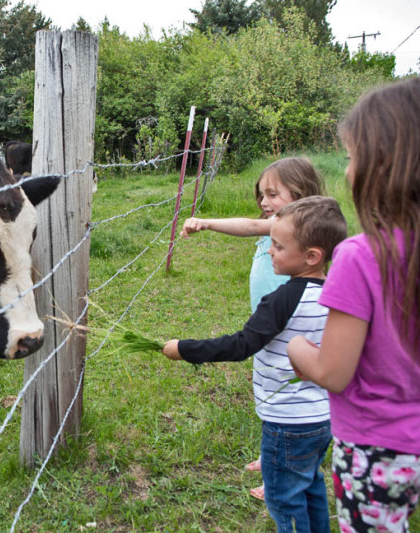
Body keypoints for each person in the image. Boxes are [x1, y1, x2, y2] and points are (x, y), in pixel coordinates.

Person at [164, 195, 348, 533]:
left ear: (311, 256)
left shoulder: (282, 300)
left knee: (283, 498)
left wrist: (184, 348)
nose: (268, 251)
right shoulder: (337, 292)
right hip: (323, 419)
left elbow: (241, 344)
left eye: (277, 246)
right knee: (310, 486)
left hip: (287, 422)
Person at [287, 78, 420, 533]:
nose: (347, 170)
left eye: (351, 157)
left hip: (374, 446)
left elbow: (332, 372)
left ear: (382, 167)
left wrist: (297, 348)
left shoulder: (360, 256)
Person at [181, 157, 325, 499]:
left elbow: (247, 225)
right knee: (272, 392)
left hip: (292, 330)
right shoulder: (281, 227)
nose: (264, 203)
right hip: (272, 328)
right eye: (261, 194)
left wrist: (207, 223)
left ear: (301, 194)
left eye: (273, 193)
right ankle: (273, 453)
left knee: (289, 397)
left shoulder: (293, 226)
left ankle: (282, 476)